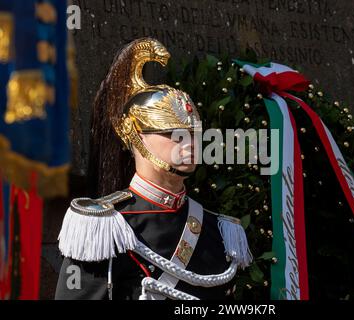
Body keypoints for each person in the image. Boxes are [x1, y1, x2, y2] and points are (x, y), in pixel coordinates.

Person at [55, 38, 252, 300]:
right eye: (171, 132)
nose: (188, 142)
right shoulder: (104, 230)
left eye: (193, 133)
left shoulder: (220, 231)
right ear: (134, 134)